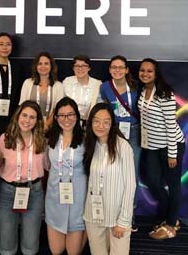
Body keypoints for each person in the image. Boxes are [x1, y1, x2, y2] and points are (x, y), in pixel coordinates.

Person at [138, 58, 185, 239]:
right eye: (142, 70)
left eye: (149, 71)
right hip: (151, 147)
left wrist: (172, 153)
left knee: (173, 185)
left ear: (156, 73)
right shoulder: (143, 91)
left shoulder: (165, 93)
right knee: (153, 181)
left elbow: (170, 125)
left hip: (170, 146)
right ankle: (170, 216)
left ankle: (171, 225)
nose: (145, 74)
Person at [83, 103, 136, 255]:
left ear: (112, 123)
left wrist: (124, 221)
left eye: (106, 122)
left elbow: (130, 185)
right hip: (94, 216)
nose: (101, 126)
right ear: (90, 122)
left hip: (117, 218)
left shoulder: (123, 147)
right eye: (96, 121)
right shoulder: (89, 145)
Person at [0, 100, 47, 255]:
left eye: (32, 117)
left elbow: (48, 166)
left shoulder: (43, 141)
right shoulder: (4, 139)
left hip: (34, 192)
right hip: (8, 192)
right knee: (6, 243)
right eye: (24, 115)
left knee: (30, 245)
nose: (27, 120)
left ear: (37, 121)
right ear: (17, 116)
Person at [100, 55, 140, 231]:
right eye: (113, 67)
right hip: (113, 132)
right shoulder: (105, 87)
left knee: (132, 173)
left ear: (126, 69)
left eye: (120, 67)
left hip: (133, 132)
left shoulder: (136, 87)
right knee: (112, 172)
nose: (117, 70)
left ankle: (129, 215)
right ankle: (113, 212)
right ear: (109, 70)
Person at [45, 97, 87, 255]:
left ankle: (87, 232)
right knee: (56, 250)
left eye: (70, 114)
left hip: (77, 202)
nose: (66, 119)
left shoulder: (86, 139)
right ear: (55, 118)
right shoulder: (50, 138)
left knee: (72, 251)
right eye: (61, 115)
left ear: (77, 116)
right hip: (55, 200)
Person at [19, 51, 64, 124]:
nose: (43, 66)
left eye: (46, 64)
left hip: (49, 126)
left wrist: (46, 125)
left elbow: (58, 109)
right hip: (28, 124)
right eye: (40, 64)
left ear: (51, 66)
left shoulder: (58, 86)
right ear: (36, 66)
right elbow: (22, 106)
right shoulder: (27, 83)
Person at [62, 55, 102, 127]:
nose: (80, 69)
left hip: (88, 125)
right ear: (73, 68)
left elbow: (99, 107)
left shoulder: (97, 84)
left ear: (89, 68)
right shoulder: (67, 82)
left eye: (84, 66)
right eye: (77, 66)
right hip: (68, 124)